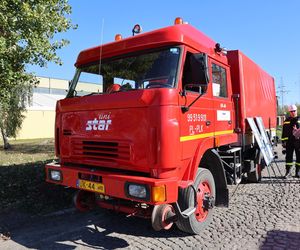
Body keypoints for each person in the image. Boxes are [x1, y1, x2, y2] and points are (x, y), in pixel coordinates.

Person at [281, 104, 300, 178]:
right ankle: (288, 172)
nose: (293, 112)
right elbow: (284, 132)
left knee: (299, 157)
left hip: (298, 142)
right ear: (289, 112)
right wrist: (283, 141)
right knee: (288, 157)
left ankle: (297, 172)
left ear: (296, 111)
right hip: (289, 142)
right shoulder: (286, 121)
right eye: (291, 111)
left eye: (294, 111)